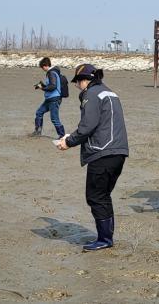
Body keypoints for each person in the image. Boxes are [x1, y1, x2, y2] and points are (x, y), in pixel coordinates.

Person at [57, 64, 129, 251]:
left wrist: (69, 141)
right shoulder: (109, 92)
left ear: (84, 80)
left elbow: (88, 125)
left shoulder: (91, 94)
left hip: (103, 152)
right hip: (119, 151)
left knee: (95, 196)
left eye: (77, 82)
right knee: (103, 195)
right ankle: (107, 236)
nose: (76, 87)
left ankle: (105, 239)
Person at [33, 57, 65, 139]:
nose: (42, 69)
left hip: (54, 99)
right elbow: (50, 85)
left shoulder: (51, 73)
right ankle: (37, 131)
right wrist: (42, 85)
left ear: (45, 65)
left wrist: (42, 88)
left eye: (42, 67)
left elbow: (53, 86)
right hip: (50, 99)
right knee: (39, 112)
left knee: (54, 119)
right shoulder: (52, 72)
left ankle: (62, 135)